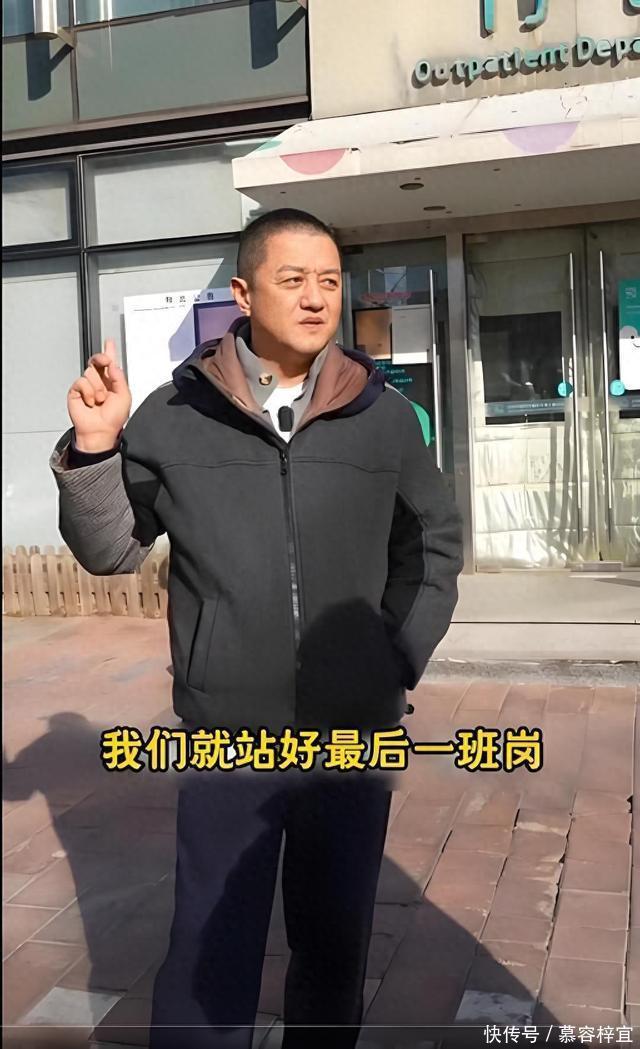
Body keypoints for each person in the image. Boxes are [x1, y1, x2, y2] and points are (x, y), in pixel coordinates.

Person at [50, 208, 463, 1048]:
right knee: (212, 939)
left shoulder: (385, 415)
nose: (317, 298)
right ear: (243, 293)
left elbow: (432, 545)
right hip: (227, 732)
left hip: (353, 732)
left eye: (330, 281)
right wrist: (95, 450)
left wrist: (392, 658)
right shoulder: (175, 415)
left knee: (336, 940)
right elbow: (111, 550)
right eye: (293, 279)